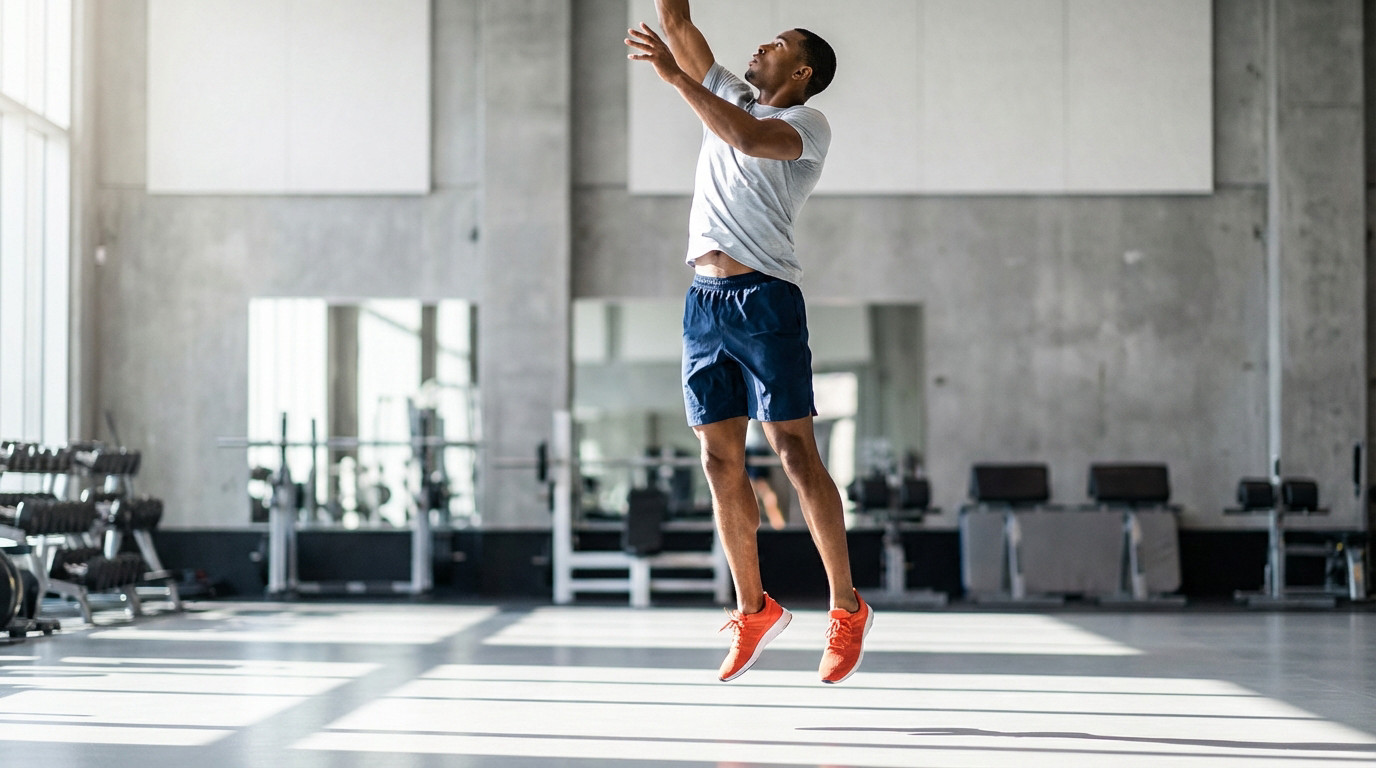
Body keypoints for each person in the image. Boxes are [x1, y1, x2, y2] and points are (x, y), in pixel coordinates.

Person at [626, 1, 871, 685]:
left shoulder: (804, 125)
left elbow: (744, 139)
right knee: (716, 458)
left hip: (765, 300)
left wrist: (678, 81)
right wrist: (679, 52)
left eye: (775, 44)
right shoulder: (731, 92)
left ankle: (846, 607)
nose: (757, 50)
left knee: (793, 450)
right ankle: (753, 607)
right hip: (704, 301)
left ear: (801, 70)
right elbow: (676, 21)